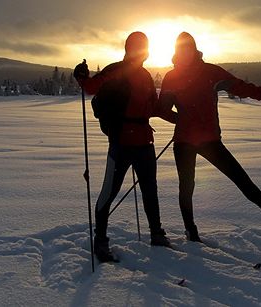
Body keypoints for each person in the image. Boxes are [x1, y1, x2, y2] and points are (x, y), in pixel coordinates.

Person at [158, 32, 261, 242]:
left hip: (209, 140)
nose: (185, 53)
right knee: (186, 187)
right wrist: (180, 119)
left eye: (188, 49)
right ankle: (191, 232)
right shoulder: (172, 77)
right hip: (184, 141)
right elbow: (162, 109)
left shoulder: (210, 72)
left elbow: (239, 86)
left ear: (194, 49)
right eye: (181, 49)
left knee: (240, 177)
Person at [74, 32, 171, 262]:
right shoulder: (116, 70)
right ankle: (100, 242)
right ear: (129, 49)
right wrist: (81, 77)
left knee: (150, 191)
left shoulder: (146, 76)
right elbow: (91, 87)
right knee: (109, 192)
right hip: (121, 143)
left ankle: (156, 234)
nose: (141, 51)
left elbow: (154, 108)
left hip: (144, 142)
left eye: (143, 47)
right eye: (138, 47)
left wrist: (181, 119)